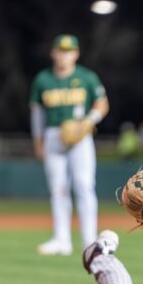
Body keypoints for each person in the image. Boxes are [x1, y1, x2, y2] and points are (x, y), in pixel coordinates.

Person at [30, 34, 109, 256]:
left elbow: (102, 103)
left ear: (76, 53)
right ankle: (61, 239)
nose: (64, 55)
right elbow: (37, 113)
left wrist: (89, 120)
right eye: (60, 50)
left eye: (68, 51)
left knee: (84, 185)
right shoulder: (43, 79)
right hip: (53, 134)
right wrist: (38, 141)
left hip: (81, 134)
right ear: (53, 52)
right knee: (58, 189)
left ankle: (89, 240)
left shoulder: (87, 77)